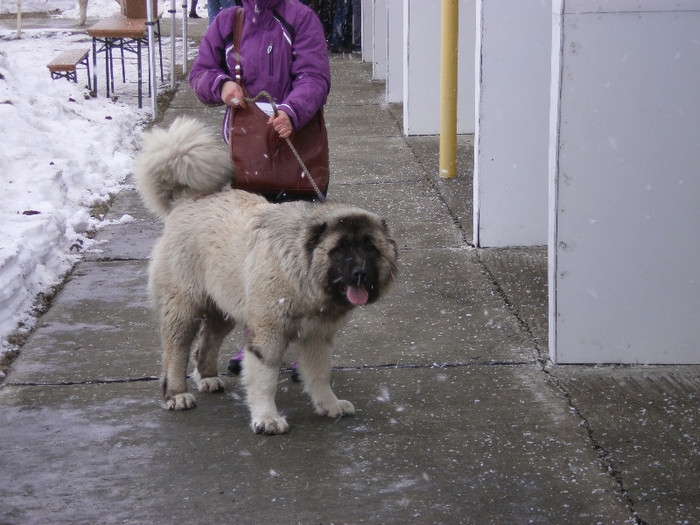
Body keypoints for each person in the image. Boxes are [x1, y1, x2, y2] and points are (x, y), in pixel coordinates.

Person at [189, 0, 330, 144]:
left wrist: (292, 111)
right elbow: (199, 73)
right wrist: (221, 86)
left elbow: (314, 78)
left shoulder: (302, 18)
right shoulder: (226, 21)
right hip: (243, 148)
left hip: (296, 145)